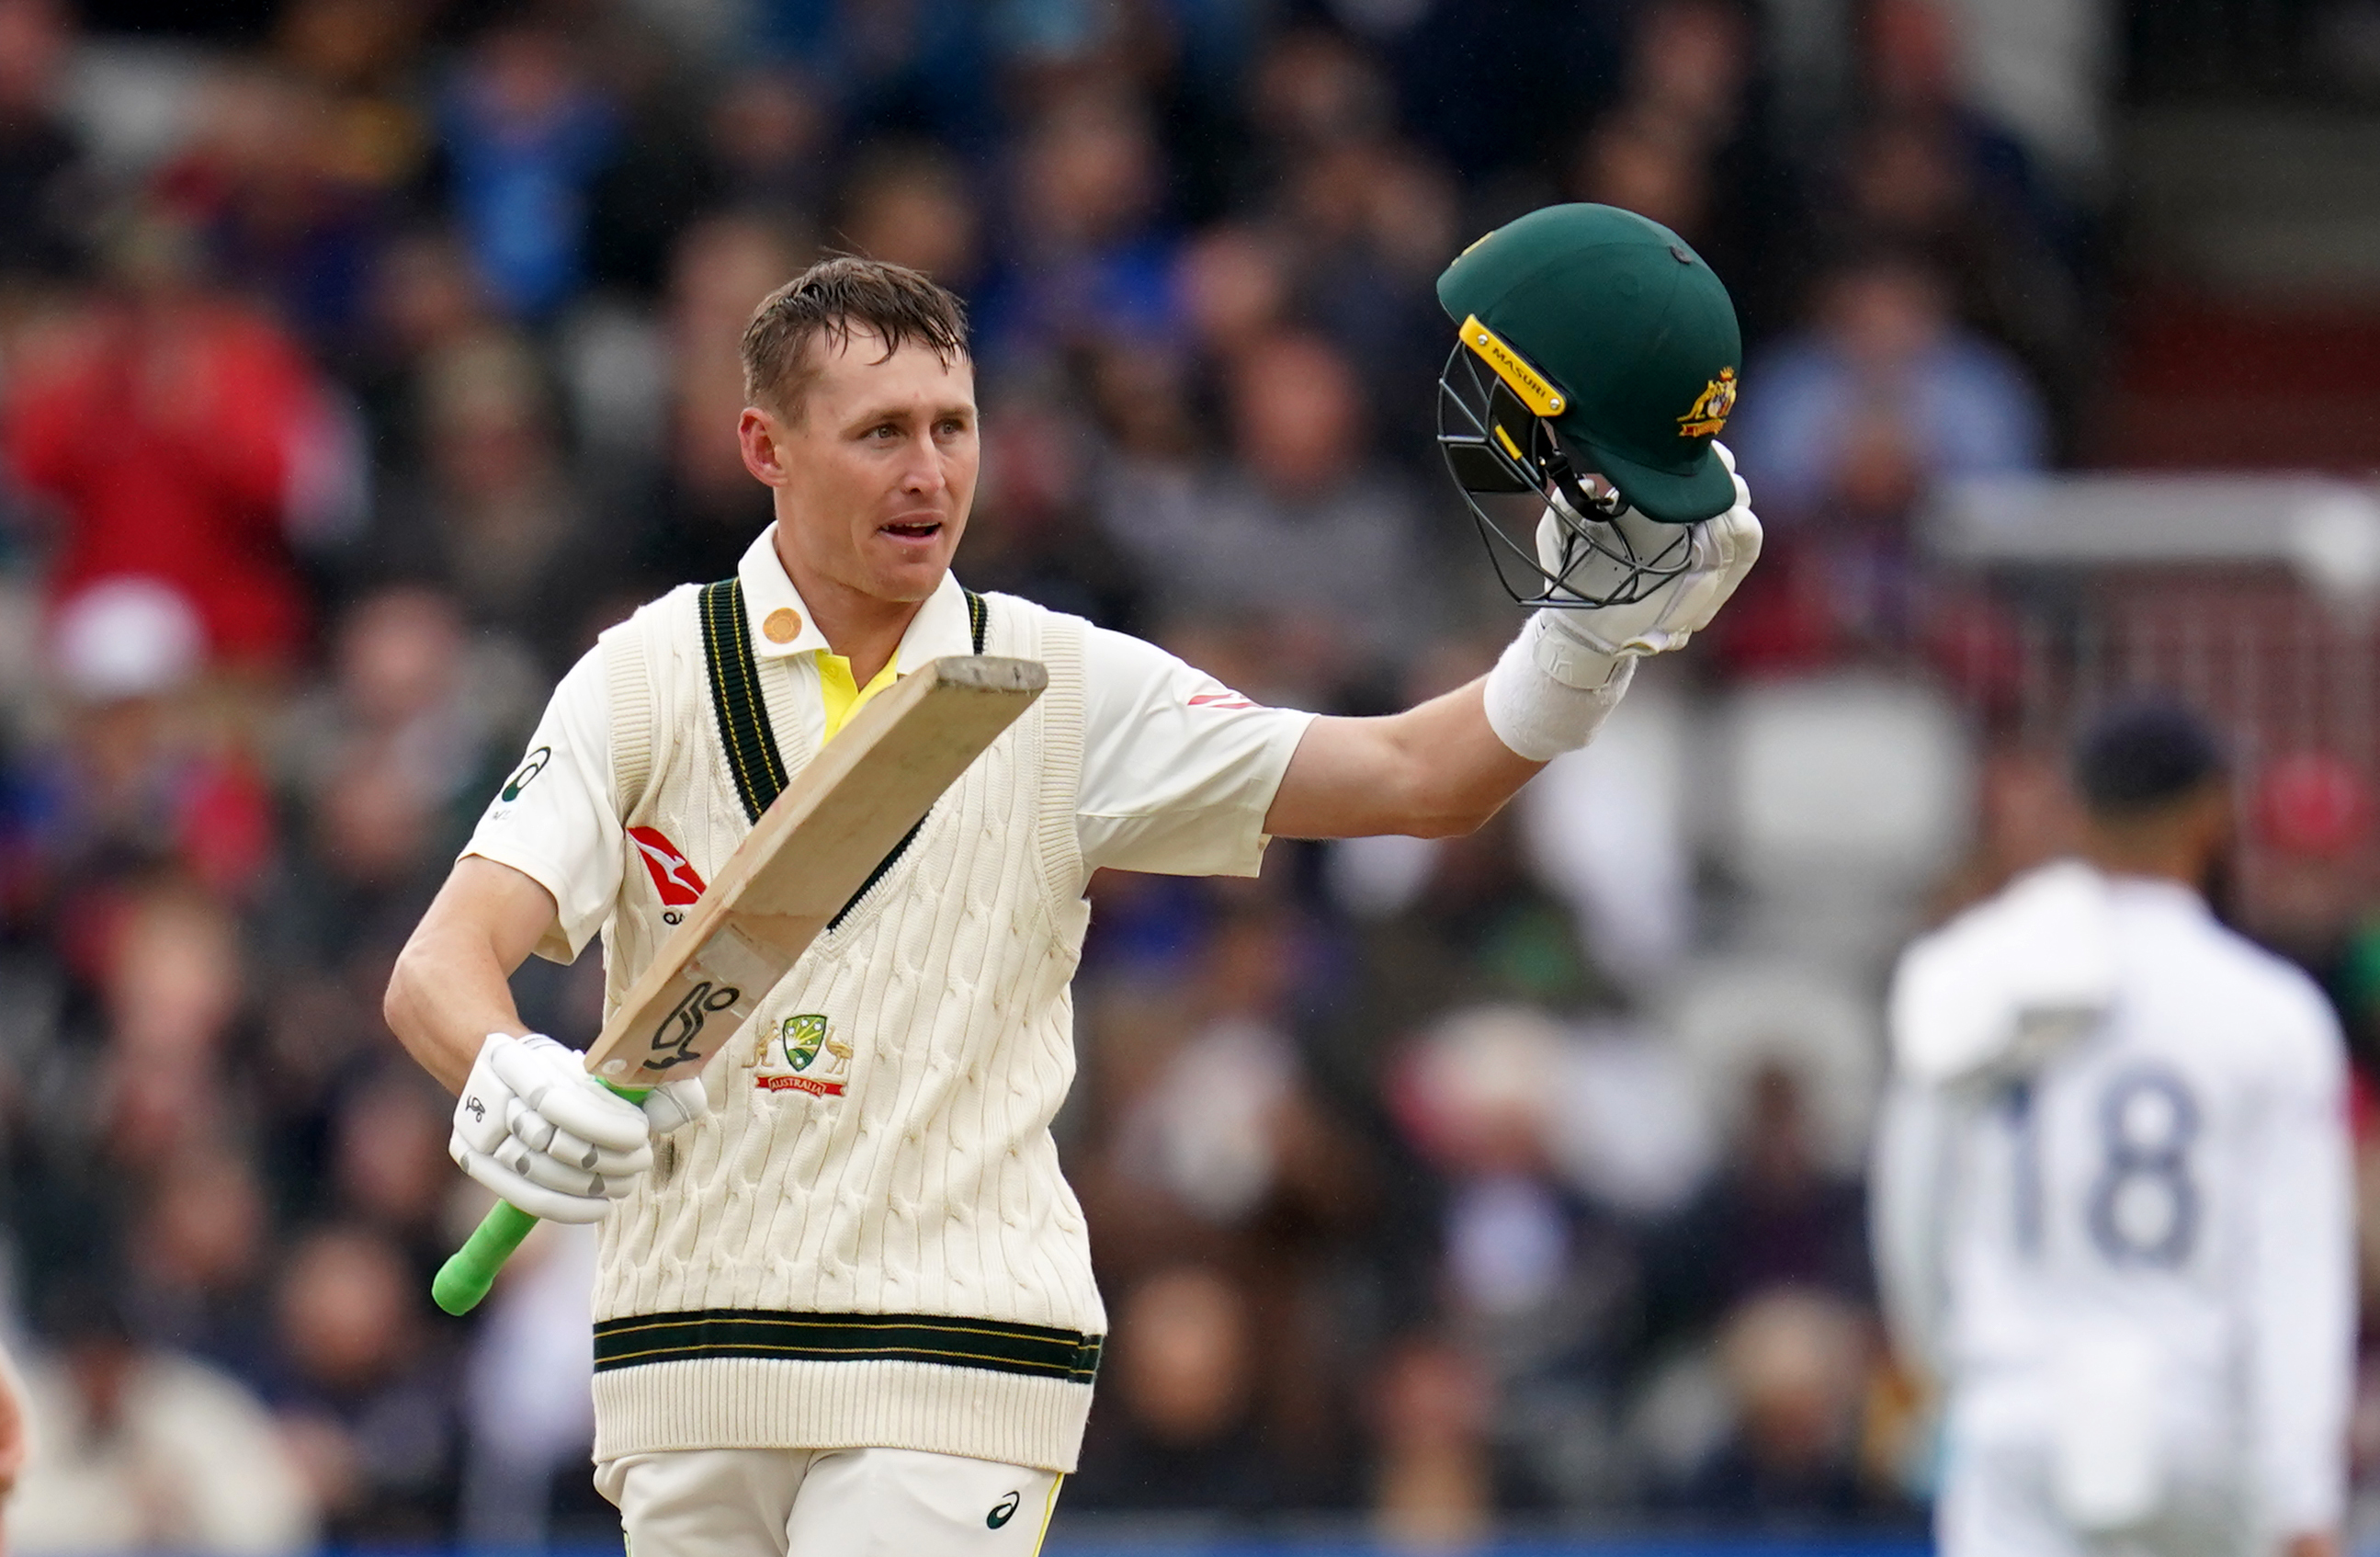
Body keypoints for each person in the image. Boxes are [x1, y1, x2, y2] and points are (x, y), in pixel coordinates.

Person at [384, 204, 1762, 1553]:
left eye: (953, 427)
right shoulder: (646, 676)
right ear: (765, 447)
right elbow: (441, 966)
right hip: (680, 1354)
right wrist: (507, 1072)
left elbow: (1411, 775)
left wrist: (1587, 642)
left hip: (957, 1347)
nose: (929, 472)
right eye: (879, 434)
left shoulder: (1057, 680)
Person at [1873, 702, 2354, 1557]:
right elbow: (2295, 1270)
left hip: (2019, 1403)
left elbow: (1912, 1208)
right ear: (2212, 812)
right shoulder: (2271, 1012)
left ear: (2077, 807)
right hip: (2195, 1413)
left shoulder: (1979, 973)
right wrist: (2302, 1491)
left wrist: (1955, 1370)